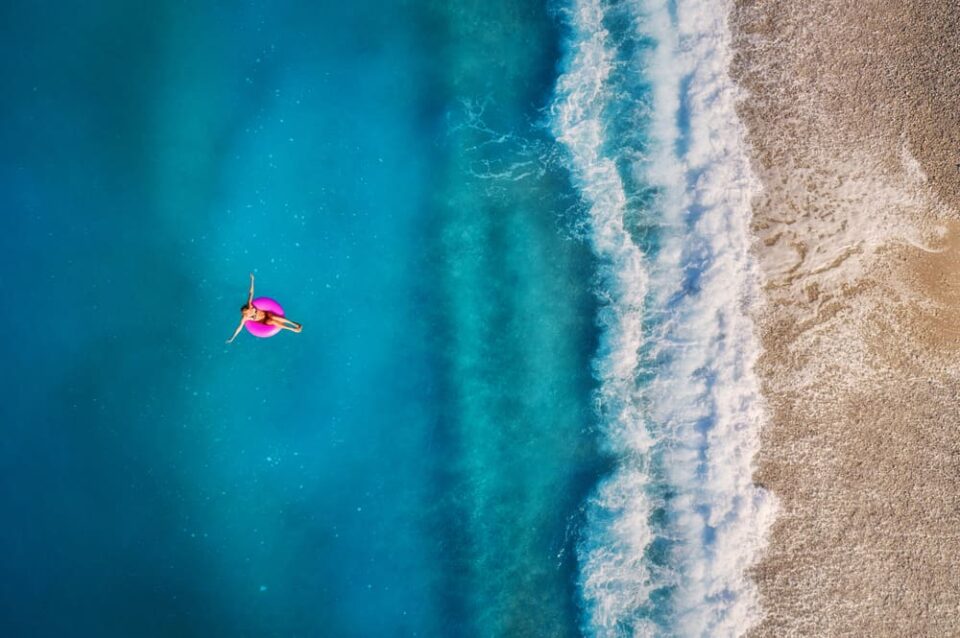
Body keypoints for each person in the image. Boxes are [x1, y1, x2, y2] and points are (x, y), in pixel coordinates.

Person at [227, 273, 302, 343]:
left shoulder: (250, 306)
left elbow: (251, 293)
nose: (249, 312)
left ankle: (293, 323)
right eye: (246, 313)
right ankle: (293, 329)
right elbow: (239, 328)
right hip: (264, 321)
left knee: (272, 316)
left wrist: (252, 280)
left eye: (248, 310)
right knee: (272, 321)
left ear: (247, 308)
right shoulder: (245, 318)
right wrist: (232, 338)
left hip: (267, 314)